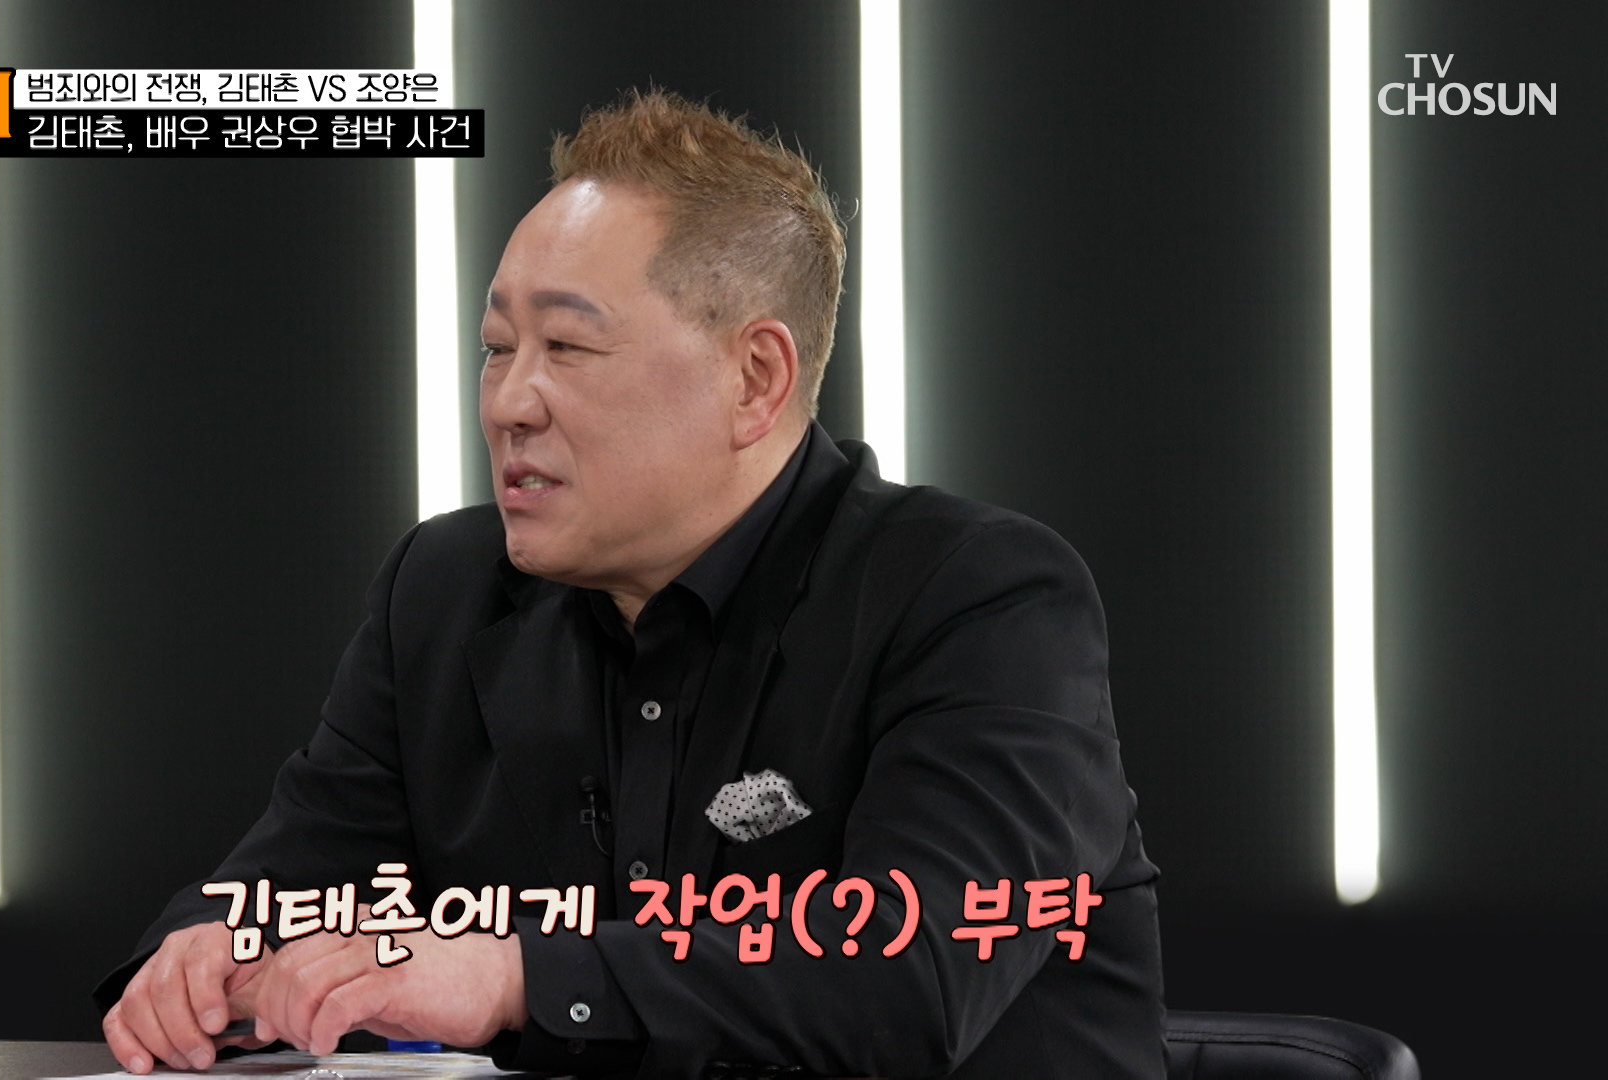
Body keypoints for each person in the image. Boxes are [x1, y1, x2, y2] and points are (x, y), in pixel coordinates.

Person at [95, 88, 1165, 1078]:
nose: (508, 403)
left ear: (755, 379)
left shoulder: (979, 599)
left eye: (567, 346)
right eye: (496, 347)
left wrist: (514, 974)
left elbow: (914, 970)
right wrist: (209, 950)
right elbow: (288, 883)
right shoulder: (443, 593)